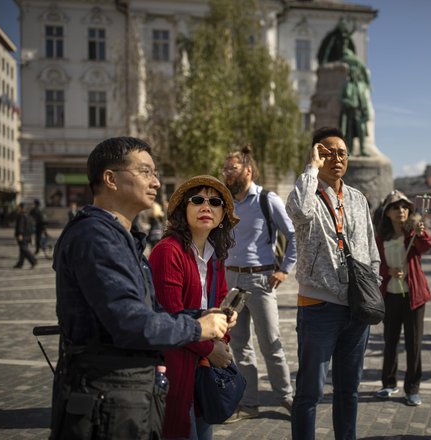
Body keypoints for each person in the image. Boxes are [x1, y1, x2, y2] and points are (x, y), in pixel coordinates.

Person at [50, 137, 234, 440]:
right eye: (145, 172)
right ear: (110, 178)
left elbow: (154, 310)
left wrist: (205, 317)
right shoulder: (95, 237)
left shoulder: (121, 236)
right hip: (103, 397)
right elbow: (131, 322)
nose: (156, 182)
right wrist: (198, 329)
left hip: (122, 394)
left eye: (156, 173)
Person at [286, 127, 380, 439]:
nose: (335, 159)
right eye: (327, 153)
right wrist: (311, 168)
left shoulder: (357, 198)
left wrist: (373, 286)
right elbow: (298, 212)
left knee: (348, 390)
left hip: (356, 308)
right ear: (316, 156)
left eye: (341, 153)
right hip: (318, 306)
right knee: (310, 392)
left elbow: (370, 247)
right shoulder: (306, 192)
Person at [149, 175, 239, 439]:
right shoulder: (168, 251)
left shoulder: (215, 257)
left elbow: (219, 307)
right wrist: (211, 349)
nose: (206, 207)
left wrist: (224, 332)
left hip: (203, 366)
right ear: (183, 209)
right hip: (175, 367)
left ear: (222, 215)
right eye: (197, 200)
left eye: (214, 202)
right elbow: (171, 316)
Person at [221, 146, 296, 422]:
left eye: (232, 168)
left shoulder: (267, 199)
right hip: (232, 281)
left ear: (248, 170)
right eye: (225, 169)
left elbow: (294, 235)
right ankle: (249, 404)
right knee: (240, 345)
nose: (227, 173)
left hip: (260, 279)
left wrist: (284, 270)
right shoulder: (225, 203)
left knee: (271, 344)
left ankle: (286, 397)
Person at [374, 190, 431, 406]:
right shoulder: (381, 238)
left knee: (413, 344)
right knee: (390, 342)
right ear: (387, 213)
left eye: (405, 207)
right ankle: (388, 383)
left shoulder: (413, 234)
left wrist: (422, 233)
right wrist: (387, 271)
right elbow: (376, 263)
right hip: (390, 296)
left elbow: (426, 246)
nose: (401, 211)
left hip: (413, 297)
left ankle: (412, 388)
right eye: (396, 207)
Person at [13, 202, 37, 269]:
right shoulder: (29, 216)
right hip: (27, 235)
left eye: (20, 207)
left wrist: (20, 234)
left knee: (24, 249)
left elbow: (21, 225)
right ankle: (20, 264)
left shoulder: (21, 215)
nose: (19, 209)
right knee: (22, 250)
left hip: (23, 235)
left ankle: (33, 260)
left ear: (22, 208)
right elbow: (31, 226)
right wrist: (31, 235)